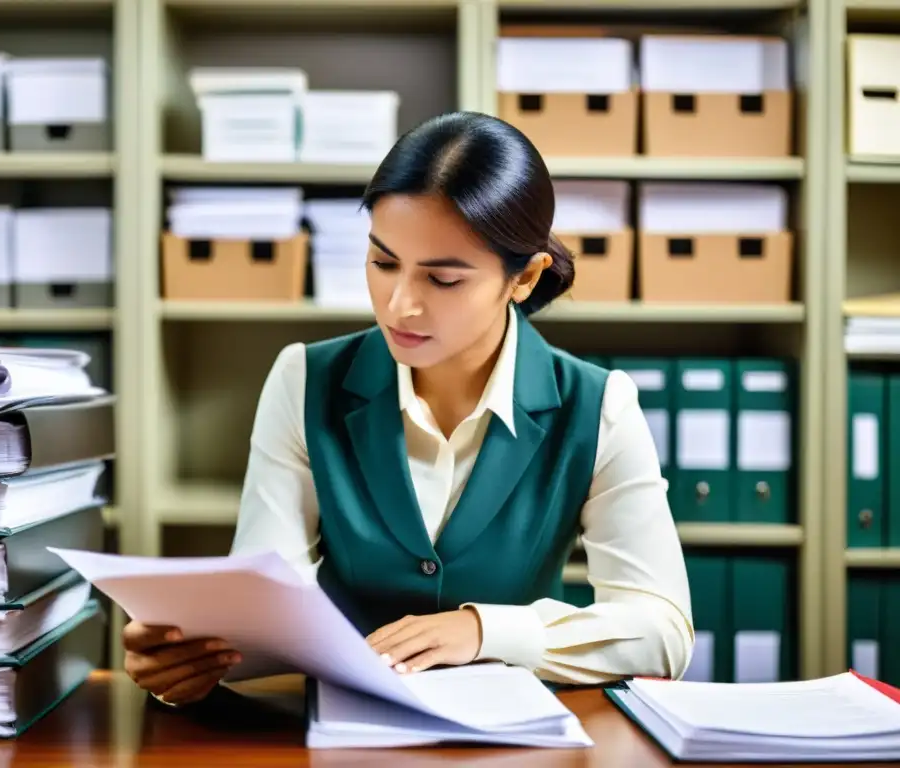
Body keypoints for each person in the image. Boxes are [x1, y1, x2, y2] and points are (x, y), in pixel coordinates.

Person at [123, 111, 695, 707]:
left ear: (523, 278)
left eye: (442, 280)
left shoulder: (597, 406)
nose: (399, 306)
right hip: (343, 729)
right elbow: (269, 595)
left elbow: (664, 631)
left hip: (512, 737)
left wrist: (483, 630)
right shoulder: (305, 379)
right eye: (383, 262)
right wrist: (192, 656)